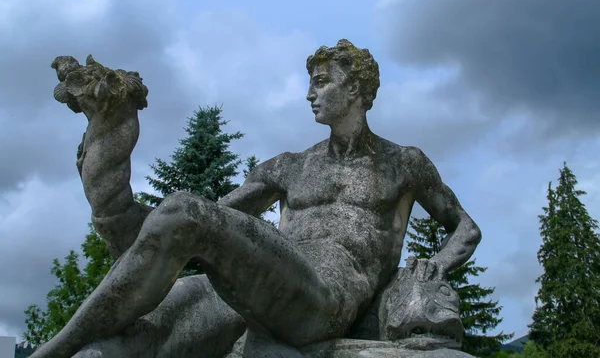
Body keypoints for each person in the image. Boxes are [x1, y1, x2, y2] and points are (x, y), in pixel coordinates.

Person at [33, 40, 481, 358]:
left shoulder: (403, 163)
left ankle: (51, 351)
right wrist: (113, 193)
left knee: (184, 211)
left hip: (324, 300)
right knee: (118, 347)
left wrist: (437, 263)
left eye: (322, 82)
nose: (310, 93)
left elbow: (464, 226)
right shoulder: (288, 165)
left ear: (356, 90)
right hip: (265, 291)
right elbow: (202, 222)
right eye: (310, 83)